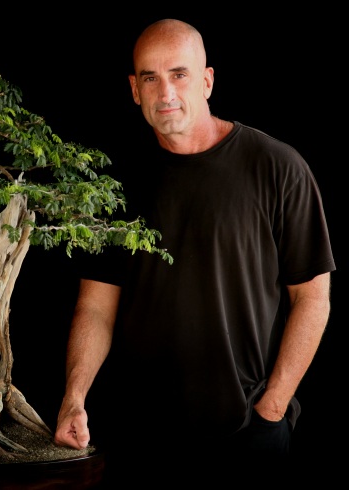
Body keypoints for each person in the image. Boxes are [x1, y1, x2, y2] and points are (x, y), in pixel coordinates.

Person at [54, 19, 335, 485]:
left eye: (179, 74)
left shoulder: (277, 167)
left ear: (207, 81)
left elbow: (312, 298)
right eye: (150, 77)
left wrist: (273, 407)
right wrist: (74, 397)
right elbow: (96, 307)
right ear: (134, 90)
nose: (165, 92)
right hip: (138, 437)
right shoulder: (114, 185)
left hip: (247, 435)